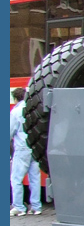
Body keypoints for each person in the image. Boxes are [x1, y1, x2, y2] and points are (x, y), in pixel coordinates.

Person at [10, 87, 42, 217]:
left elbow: (10, 131)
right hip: (34, 146)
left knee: (16, 178)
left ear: (15, 98)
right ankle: (36, 207)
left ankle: (19, 207)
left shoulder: (16, 111)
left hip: (22, 147)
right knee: (34, 178)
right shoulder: (32, 109)